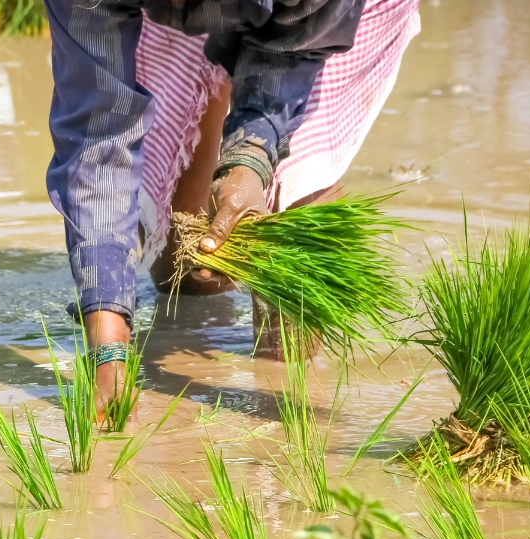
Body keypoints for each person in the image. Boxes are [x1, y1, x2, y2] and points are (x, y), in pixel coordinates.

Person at [43, 0, 420, 411]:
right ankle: (181, 332)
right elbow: (97, 137)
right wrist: (108, 352)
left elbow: (297, 50)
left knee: (298, 177)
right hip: (165, 15)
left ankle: (290, 389)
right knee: (186, 270)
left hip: (321, 21)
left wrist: (249, 161)